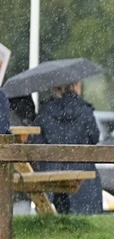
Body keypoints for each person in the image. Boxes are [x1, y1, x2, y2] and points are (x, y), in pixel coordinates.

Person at [31, 82, 102, 215]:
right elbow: (94, 138)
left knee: (57, 217)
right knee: (86, 217)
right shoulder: (85, 110)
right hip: (82, 175)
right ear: (74, 86)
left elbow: (37, 142)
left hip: (52, 176)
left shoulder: (45, 111)